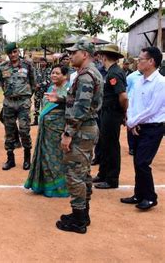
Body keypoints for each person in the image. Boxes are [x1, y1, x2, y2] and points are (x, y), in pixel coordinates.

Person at [46, 38, 103, 234]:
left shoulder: (86, 76)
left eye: (74, 52)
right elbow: (79, 101)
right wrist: (61, 99)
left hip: (80, 131)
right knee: (84, 173)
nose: (70, 56)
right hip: (86, 129)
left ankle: (78, 220)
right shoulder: (88, 74)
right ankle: (82, 214)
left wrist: (68, 133)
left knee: (75, 175)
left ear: (85, 54)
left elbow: (81, 108)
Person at [121, 47, 165, 211]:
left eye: (141, 59)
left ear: (151, 61)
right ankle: (139, 194)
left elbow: (153, 109)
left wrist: (133, 121)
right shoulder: (138, 80)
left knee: (142, 162)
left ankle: (150, 197)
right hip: (138, 125)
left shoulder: (161, 83)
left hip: (153, 127)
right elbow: (132, 102)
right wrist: (132, 120)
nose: (137, 62)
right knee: (137, 161)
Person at [25, 65, 70, 197]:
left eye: (57, 73)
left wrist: (67, 132)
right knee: (45, 157)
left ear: (65, 75)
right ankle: (45, 186)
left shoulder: (69, 89)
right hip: (46, 131)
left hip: (59, 130)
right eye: (52, 73)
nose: (53, 75)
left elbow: (71, 111)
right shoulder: (51, 88)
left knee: (57, 159)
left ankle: (59, 188)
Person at [93, 45, 128, 189]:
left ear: (104, 57)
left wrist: (123, 112)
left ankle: (112, 178)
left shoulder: (114, 73)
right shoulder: (110, 72)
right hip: (106, 112)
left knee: (111, 145)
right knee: (104, 144)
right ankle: (103, 173)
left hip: (112, 113)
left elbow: (123, 97)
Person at [0, 42, 36, 171]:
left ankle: (27, 158)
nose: (13, 55)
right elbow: (3, 83)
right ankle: (10, 159)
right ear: (7, 54)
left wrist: (26, 97)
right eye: (10, 53)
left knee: (24, 130)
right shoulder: (2, 67)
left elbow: (33, 83)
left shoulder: (28, 65)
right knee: (9, 131)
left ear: (17, 52)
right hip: (9, 102)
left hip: (23, 103)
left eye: (14, 52)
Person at [125, 68, 142, 156]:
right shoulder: (131, 77)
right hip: (132, 105)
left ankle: (138, 146)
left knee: (140, 126)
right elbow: (126, 91)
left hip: (142, 106)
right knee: (131, 126)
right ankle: (131, 147)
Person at [32, 57, 52, 125]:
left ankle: (44, 121)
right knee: (36, 105)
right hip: (37, 91)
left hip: (45, 91)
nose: (42, 63)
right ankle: (35, 120)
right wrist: (35, 86)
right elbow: (35, 79)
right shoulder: (37, 70)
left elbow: (49, 80)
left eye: (43, 62)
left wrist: (39, 85)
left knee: (45, 106)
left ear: (46, 63)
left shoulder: (49, 70)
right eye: (41, 62)